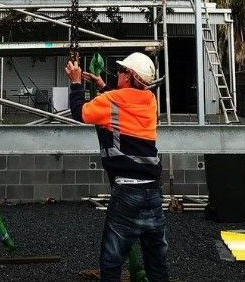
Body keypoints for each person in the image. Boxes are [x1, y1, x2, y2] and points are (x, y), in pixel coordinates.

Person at [66, 52, 169, 282]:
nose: (118, 74)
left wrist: (75, 82)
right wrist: (102, 85)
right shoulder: (151, 101)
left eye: (121, 71)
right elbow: (122, 107)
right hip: (153, 192)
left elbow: (80, 112)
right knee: (157, 262)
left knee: (111, 261)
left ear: (130, 75)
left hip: (126, 193)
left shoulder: (111, 101)